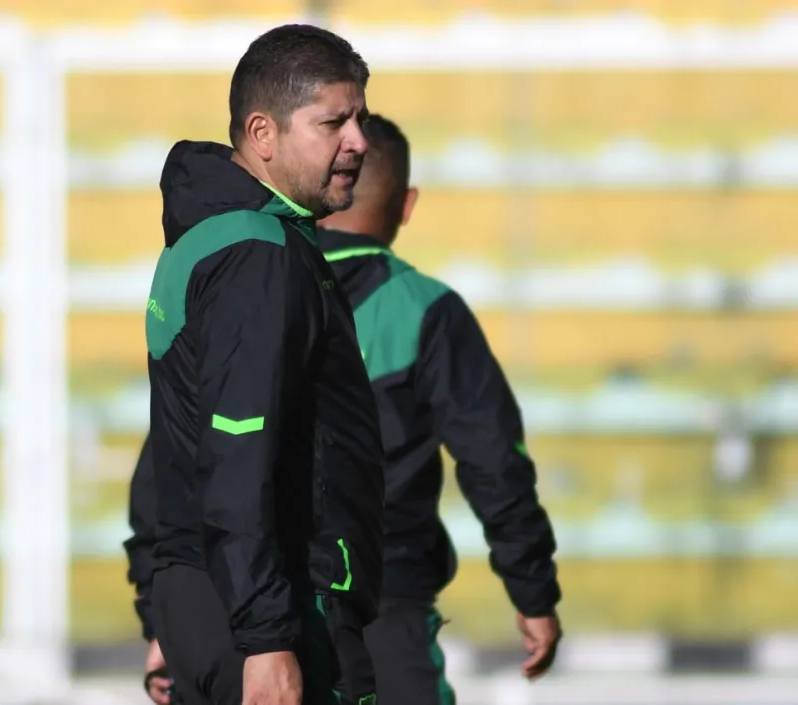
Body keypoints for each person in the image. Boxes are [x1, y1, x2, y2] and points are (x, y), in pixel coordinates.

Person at [125, 24, 385, 705]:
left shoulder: (216, 234)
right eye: (334, 122)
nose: (359, 141)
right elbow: (238, 455)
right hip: (267, 609)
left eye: (361, 118)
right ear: (263, 134)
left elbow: (178, 448)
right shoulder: (258, 257)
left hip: (217, 595)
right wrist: (268, 637)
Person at [315, 114, 563, 704]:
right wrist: (533, 593)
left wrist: (167, 616)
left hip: (248, 620)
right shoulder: (428, 312)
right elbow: (493, 460)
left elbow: (179, 452)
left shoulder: (244, 290)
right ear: (407, 204)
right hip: (385, 610)